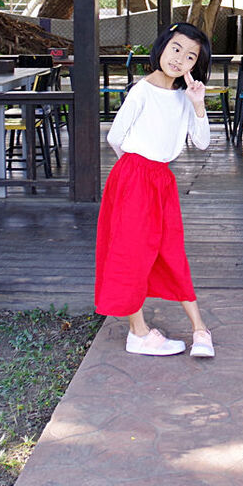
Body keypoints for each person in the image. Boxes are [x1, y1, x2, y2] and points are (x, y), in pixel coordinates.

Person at [94, 22, 215, 357]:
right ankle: (138, 332)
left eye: (190, 56)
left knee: (170, 250)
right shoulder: (142, 91)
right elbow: (115, 137)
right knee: (131, 251)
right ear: (162, 47)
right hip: (135, 177)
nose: (179, 59)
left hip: (161, 180)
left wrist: (198, 103)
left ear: (196, 65)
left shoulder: (184, 96)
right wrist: (134, 169)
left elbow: (202, 143)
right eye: (175, 49)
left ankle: (199, 328)